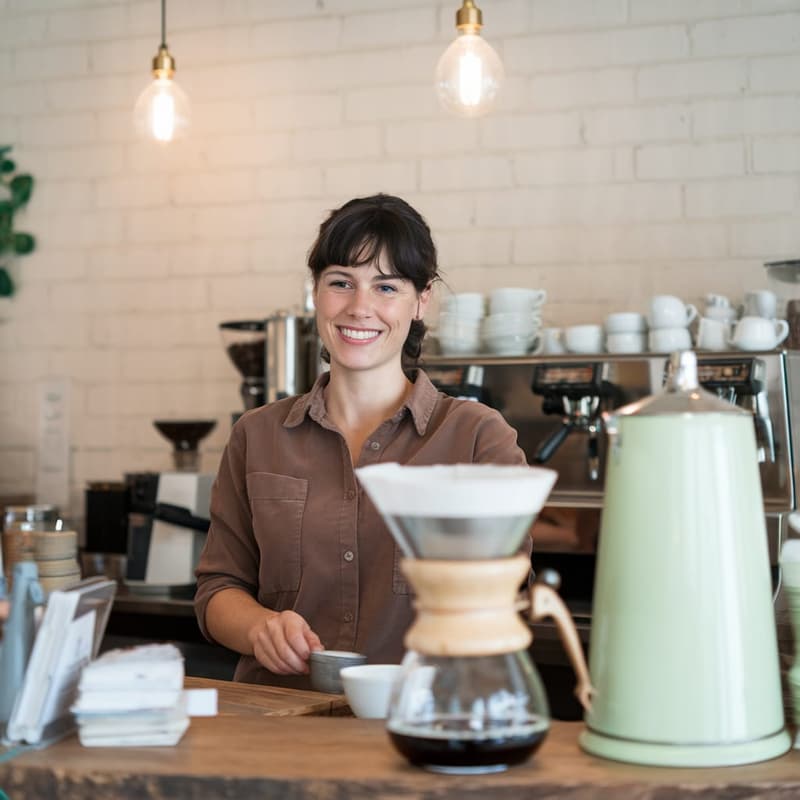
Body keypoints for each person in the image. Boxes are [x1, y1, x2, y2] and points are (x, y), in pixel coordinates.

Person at [194, 193, 527, 688]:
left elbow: (510, 596)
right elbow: (219, 589)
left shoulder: (478, 438)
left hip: (423, 721)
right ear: (316, 292)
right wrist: (259, 627)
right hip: (279, 723)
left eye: (386, 286)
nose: (359, 307)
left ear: (421, 300)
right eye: (341, 283)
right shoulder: (256, 435)